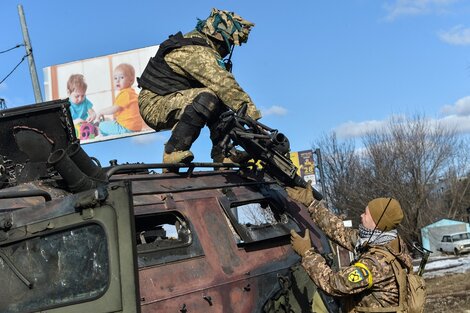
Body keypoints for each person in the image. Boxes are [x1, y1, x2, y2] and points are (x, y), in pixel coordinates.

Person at [138, 8, 262, 166]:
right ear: (219, 38)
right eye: (229, 43)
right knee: (208, 96)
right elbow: (224, 83)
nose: (228, 49)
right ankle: (172, 151)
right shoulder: (198, 51)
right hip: (155, 103)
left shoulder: (201, 46)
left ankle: (223, 154)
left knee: (219, 101)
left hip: (171, 98)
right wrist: (253, 118)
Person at [286, 185, 414, 312]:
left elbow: (334, 284)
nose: (361, 215)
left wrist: (307, 254)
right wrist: (312, 204)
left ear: (377, 223)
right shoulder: (389, 241)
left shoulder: (375, 264)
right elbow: (340, 231)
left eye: (366, 214)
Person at [97, 63, 143, 136]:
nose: (117, 81)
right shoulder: (132, 93)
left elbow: (115, 108)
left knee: (101, 126)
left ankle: (106, 138)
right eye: (115, 78)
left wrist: (101, 111)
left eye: (121, 77)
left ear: (131, 80)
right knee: (109, 122)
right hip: (136, 128)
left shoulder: (125, 93)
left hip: (126, 128)